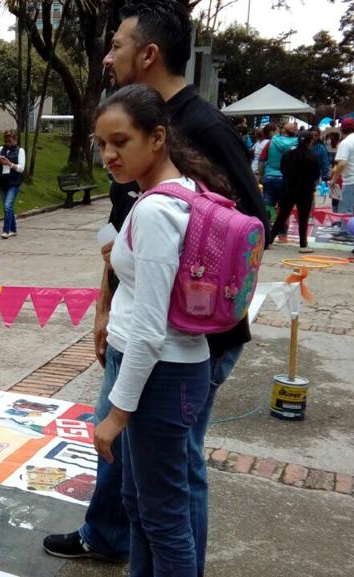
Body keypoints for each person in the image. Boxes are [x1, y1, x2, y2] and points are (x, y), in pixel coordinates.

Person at [42, 3, 270, 574]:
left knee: (168, 498)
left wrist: (203, 309)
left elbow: (248, 232)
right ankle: (111, 538)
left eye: (117, 44)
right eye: (102, 144)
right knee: (144, 497)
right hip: (156, 347)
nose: (108, 54)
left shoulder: (193, 149)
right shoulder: (152, 179)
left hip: (177, 352)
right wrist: (108, 301)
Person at [91, 83, 217, 577]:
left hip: (160, 375)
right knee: (139, 503)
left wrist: (117, 414)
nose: (108, 155)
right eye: (102, 144)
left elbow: (148, 328)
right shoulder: (176, 193)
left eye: (120, 141)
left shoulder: (156, 210)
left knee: (164, 519)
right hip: (159, 371)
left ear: (157, 137)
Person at [271, 130, 320, 253]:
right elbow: (316, 174)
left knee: (282, 215)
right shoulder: (312, 157)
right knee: (303, 218)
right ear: (310, 142)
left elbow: (282, 169)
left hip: (289, 188)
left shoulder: (288, 154)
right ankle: (303, 244)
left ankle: (269, 239)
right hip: (306, 190)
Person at [0, 129, 26, 239]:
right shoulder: (1, 149)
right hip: (2, 182)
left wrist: (9, 164)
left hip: (14, 182)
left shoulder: (20, 151)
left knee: (7, 206)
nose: (7, 144)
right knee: (8, 207)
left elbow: (21, 168)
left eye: (9, 141)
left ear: (15, 140)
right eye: (6, 141)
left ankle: (6, 230)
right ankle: (13, 229)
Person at [258, 121, 298, 211]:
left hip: (270, 176)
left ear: (283, 130)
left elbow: (261, 160)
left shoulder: (271, 142)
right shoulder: (297, 143)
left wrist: (260, 176)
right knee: (285, 207)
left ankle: (271, 222)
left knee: (269, 205)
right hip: (288, 179)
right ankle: (281, 223)